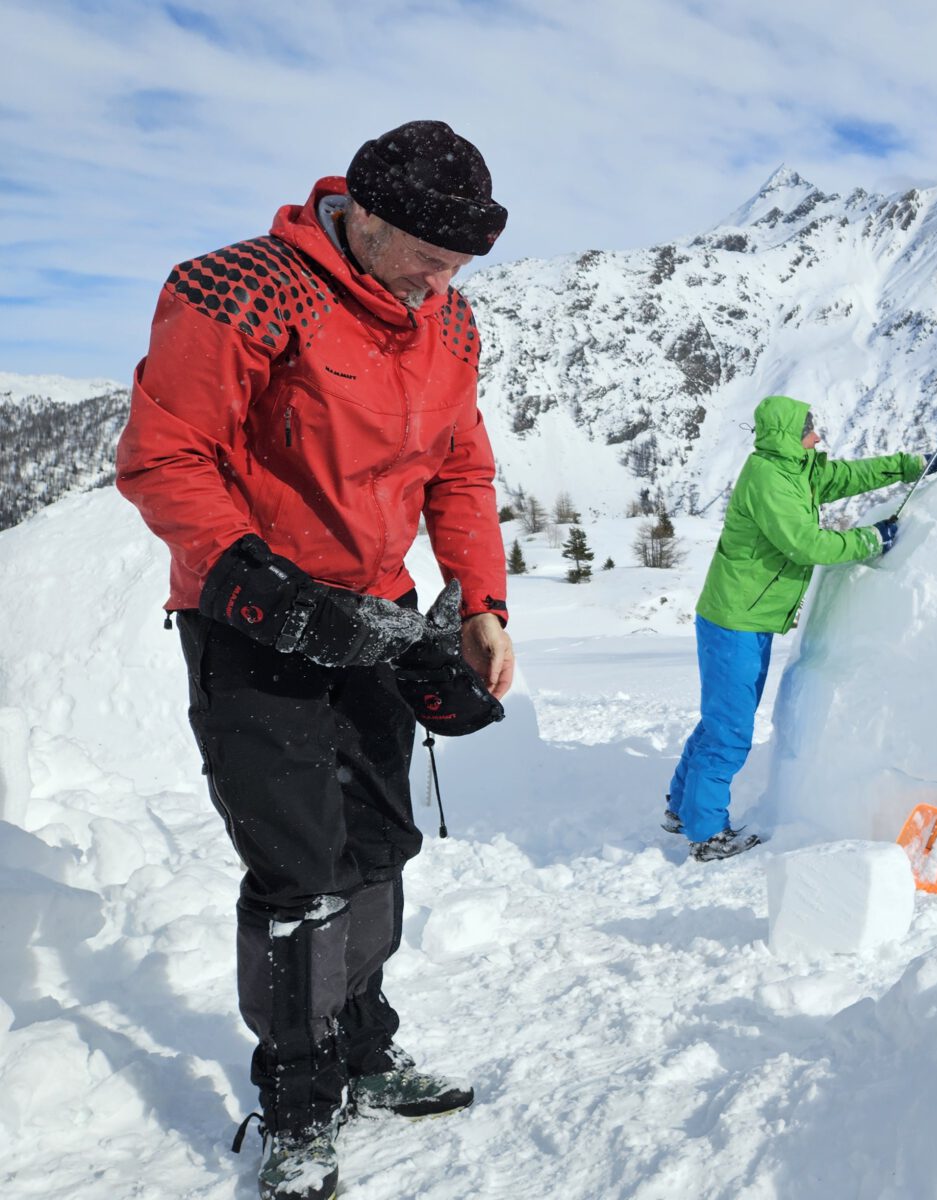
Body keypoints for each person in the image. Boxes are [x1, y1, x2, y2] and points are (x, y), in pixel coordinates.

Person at [114, 120, 513, 1200]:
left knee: (379, 845)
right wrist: (270, 592)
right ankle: (297, 1104)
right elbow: (162, 458)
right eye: (430, 256)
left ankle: (364, 1044)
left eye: (460, 262)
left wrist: (482, 604)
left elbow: (461, 475)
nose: (445, 280)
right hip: (252, 617)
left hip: (377, 622)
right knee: (298, 869)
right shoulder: (237, 290)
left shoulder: (451, 320)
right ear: (364, 218)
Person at [665, 396, 937, 860]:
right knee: (729, 729)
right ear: (790, 435)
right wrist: (872, 539)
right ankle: (706, 834)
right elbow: (806, 544)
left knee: (721, 720)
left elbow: (852, 475)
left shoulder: (796, 469)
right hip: (735, 620)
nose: (818, 437)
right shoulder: (769, 479)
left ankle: (683, 808)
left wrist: (916, 465)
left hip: (748, 615)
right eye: (810, 430)